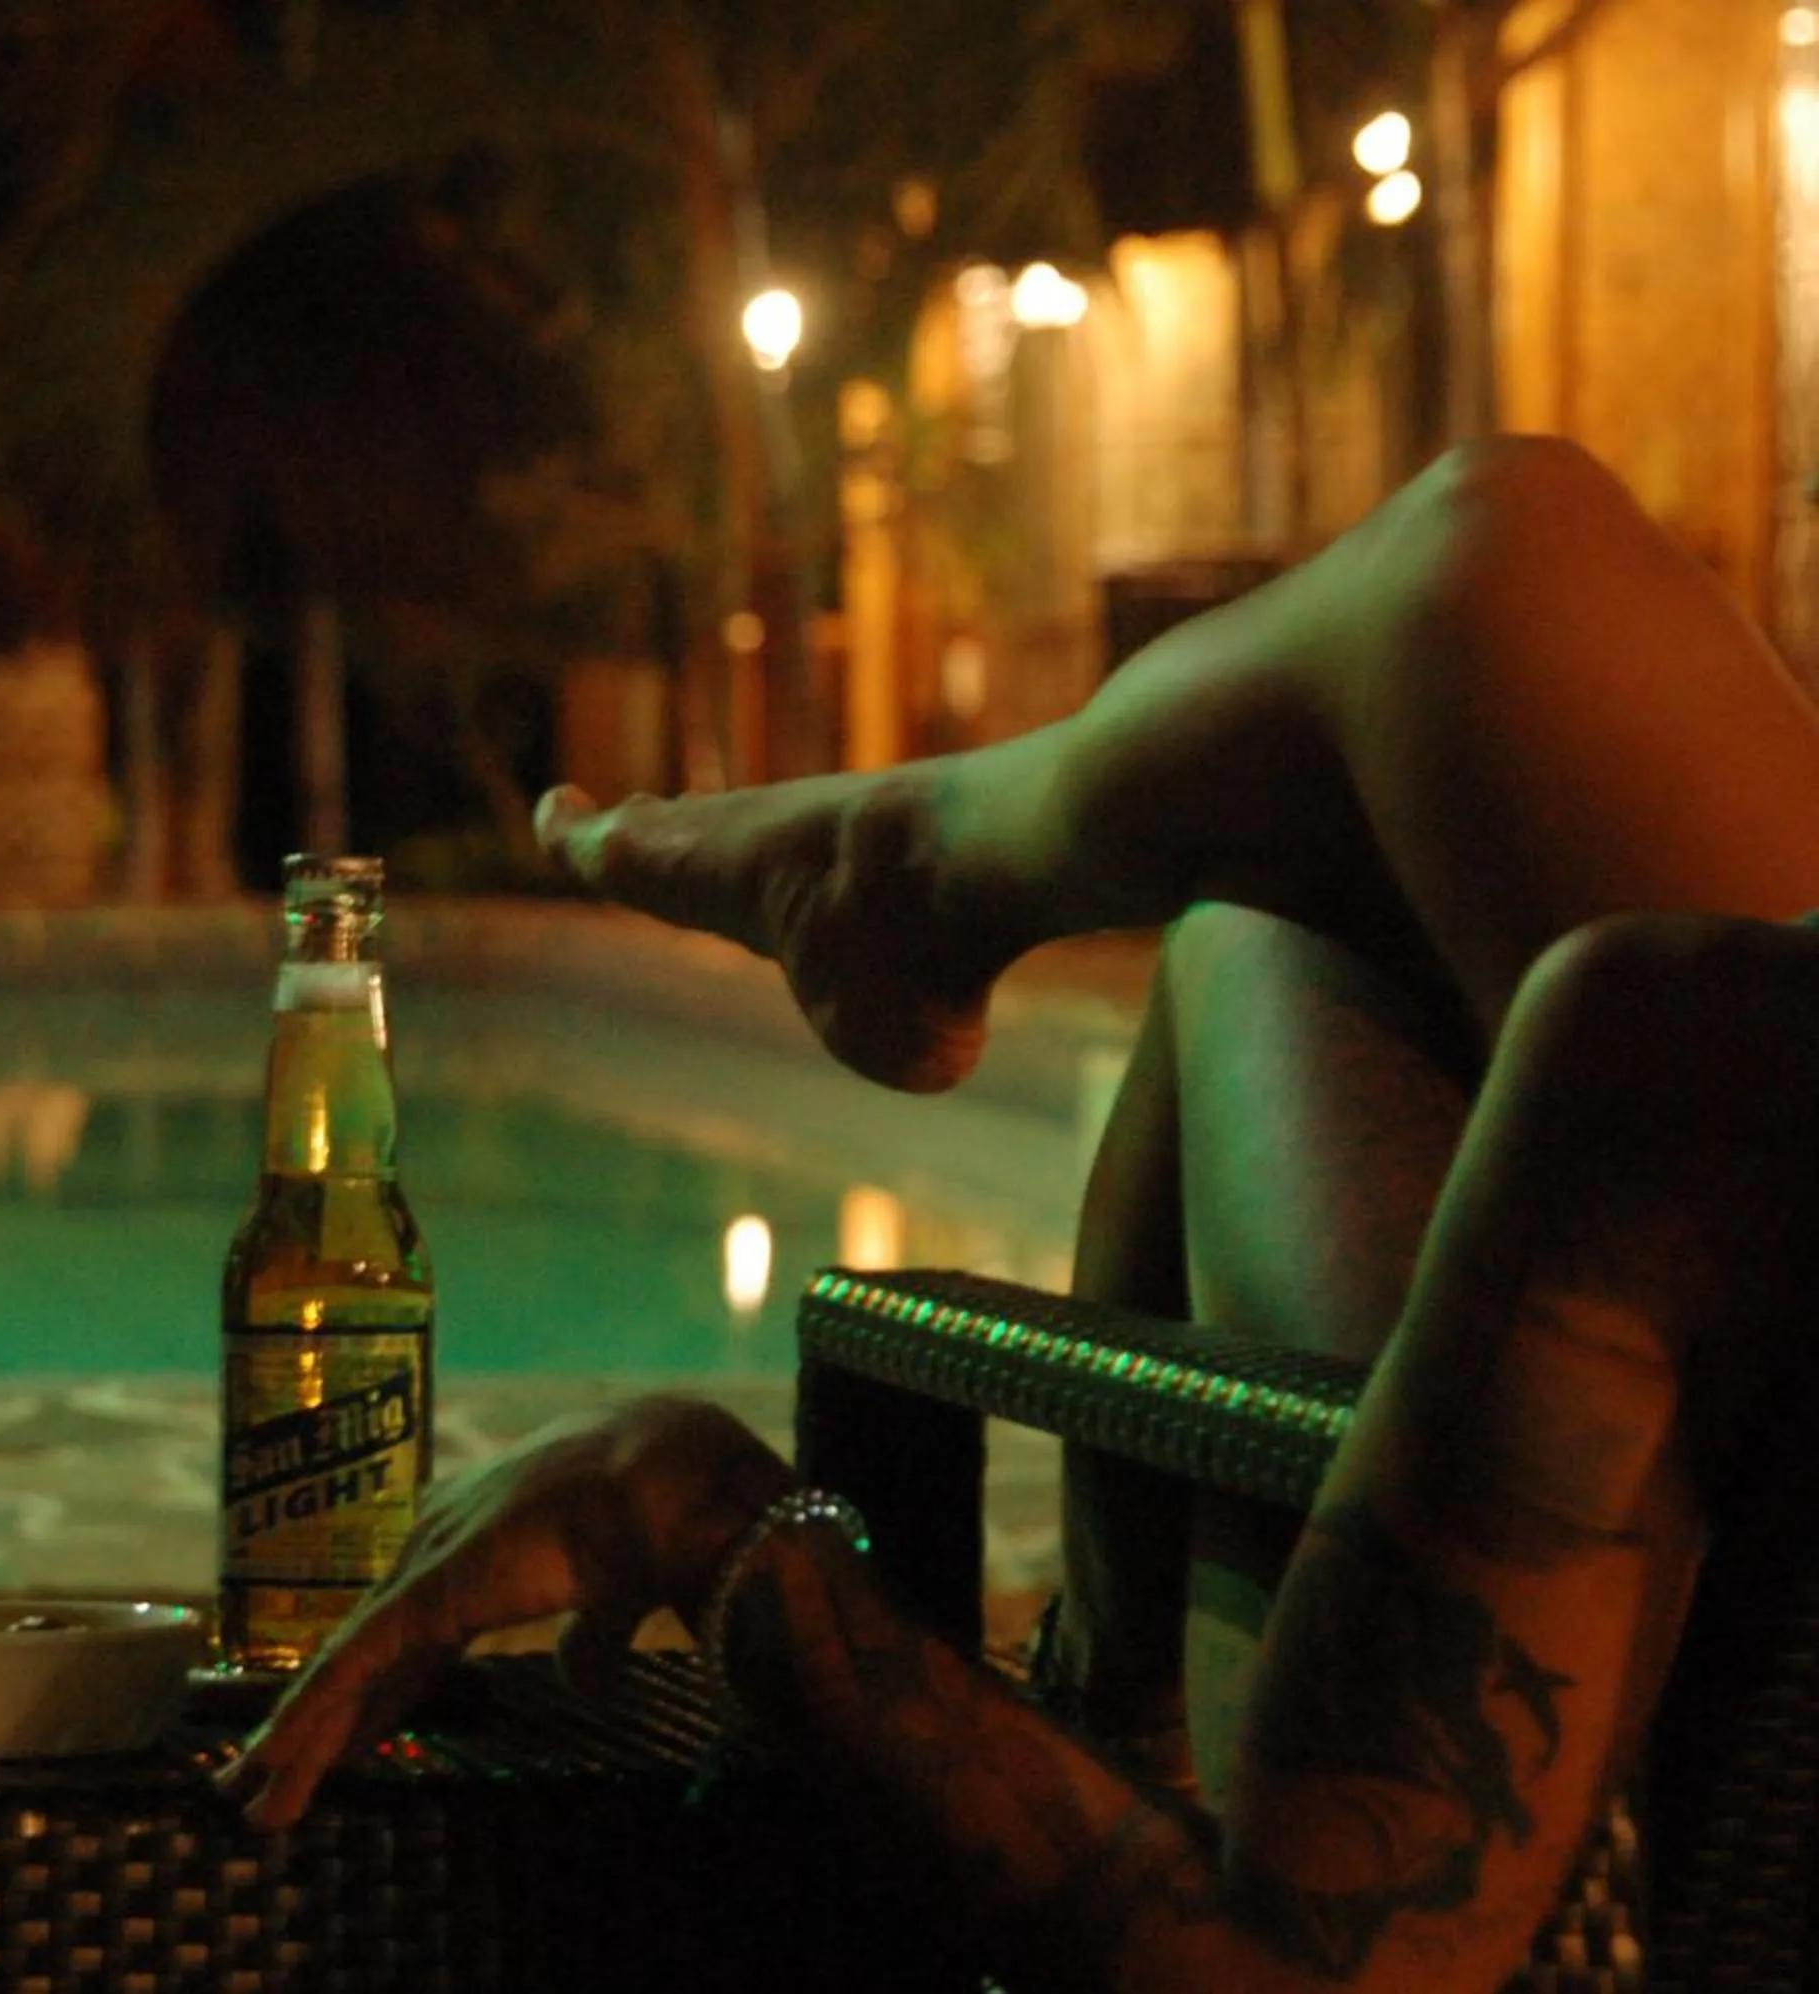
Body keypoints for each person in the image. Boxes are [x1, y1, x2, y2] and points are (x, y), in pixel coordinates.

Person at [216, 432, 1819, 1992]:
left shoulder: (1678, 1061)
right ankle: (912, 867)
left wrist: (707, 1521)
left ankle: (914, 867)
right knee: (1400, 710)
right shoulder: (1693, 1050)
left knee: (1418, 676)